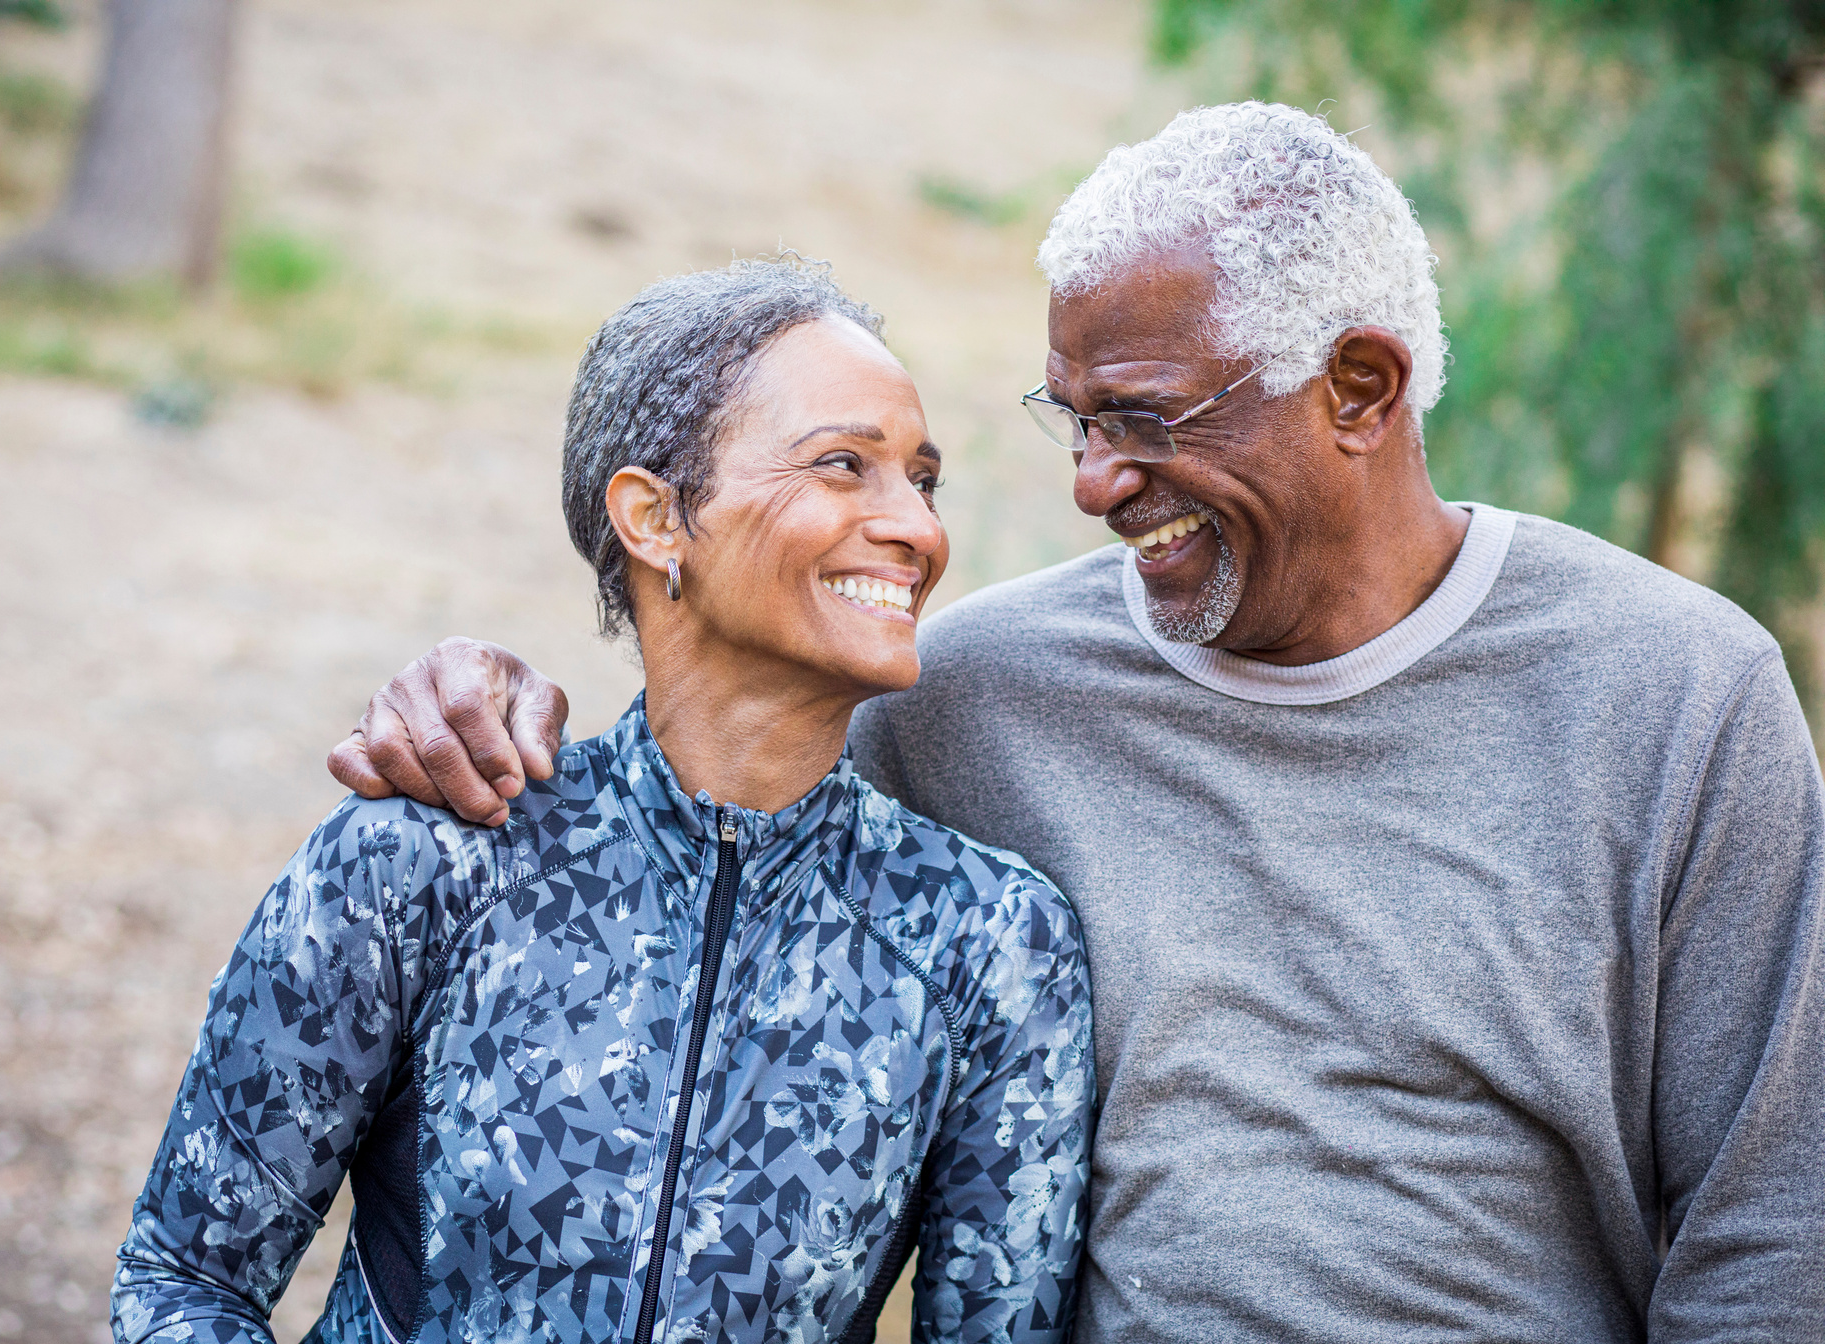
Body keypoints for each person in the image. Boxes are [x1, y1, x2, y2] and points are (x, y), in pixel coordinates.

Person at [329, 103, 1825, 1341]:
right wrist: (480, 697)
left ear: (1360, 387)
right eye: (1075, 421)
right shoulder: (980, 694)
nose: (1094, 483)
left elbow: (1773, 1241)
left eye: (1146, 419)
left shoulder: (1675, 694)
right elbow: (700, 810)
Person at [113, 258, 1093, 1344]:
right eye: (844, 466)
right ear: (656, 518)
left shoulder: (992, 943)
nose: (916, 526)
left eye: (923, 477)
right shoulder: (431, 860)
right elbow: (180, 1278)